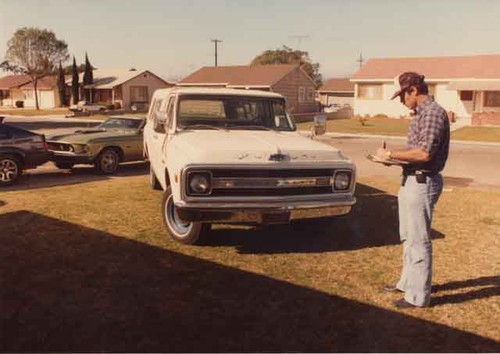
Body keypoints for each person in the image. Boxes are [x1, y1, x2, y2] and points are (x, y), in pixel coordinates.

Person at [375, 72, 450, 308]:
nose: (402, 101)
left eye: (402, 96)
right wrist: (393, 161)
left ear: (414, 90)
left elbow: (424, 154)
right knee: (408, 237)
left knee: (418, 240)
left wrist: (390, 154)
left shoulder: (433, 114)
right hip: (410, 180)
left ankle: (417, 297)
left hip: (422, 183)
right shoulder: (420, 114)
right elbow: (415, 153)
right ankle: (408, 283)